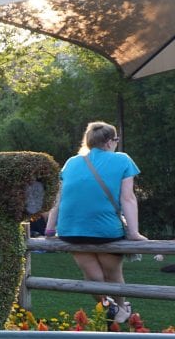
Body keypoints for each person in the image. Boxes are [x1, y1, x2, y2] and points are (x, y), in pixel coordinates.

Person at [45, 121, 147, 323]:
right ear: (110, 142)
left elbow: (59, 199)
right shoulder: (123, 160)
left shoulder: (71, 162)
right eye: (116, 140)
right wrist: (134, 233)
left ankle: (110, 308)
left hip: (70, 232)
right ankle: (120, 309)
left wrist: (49, 229)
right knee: (113, 275)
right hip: (105, 231)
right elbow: (127, 199)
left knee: (94, 280)